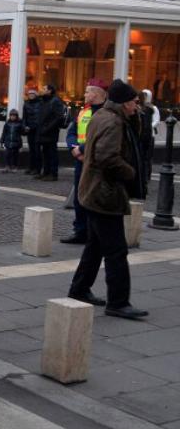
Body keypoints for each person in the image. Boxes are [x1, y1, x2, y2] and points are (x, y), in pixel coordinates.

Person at [68, 79, 150, 320]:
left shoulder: (103, 115)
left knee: (95, 247)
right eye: (134, 103)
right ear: (124, 103)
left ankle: (79, 289)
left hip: (93, 191)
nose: (137, 107)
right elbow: (107, 157)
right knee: (116, 250)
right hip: (104, 194)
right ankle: (118, 301)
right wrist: (131, 172)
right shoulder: (113, 122)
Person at [61, 80, 107, 244]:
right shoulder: (83, 111)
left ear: (96, 93)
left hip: (96, 162)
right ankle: (80, 231)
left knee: (94, 198)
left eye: (87, 92)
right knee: (79, 197)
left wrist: (81, 150)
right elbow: (72, 132)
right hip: (80, 160)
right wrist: (74, 148)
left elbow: (102, 139)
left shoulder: (106, 114)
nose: (85, 94)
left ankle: (94, 233)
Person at [35, 84, 67, 181]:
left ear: (50, 91)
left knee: (52, 153)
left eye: (44, 88)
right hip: (43, 131)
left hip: (51, 132)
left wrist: (47, 128)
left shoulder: (55, 101)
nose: (42, 90)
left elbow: (58, 117)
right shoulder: (44, 100)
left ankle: (53, 174)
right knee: (45, 152)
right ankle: (46, 172)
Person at [22, 87, 43, 176]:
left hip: (38, 129)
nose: (31, 95)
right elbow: (24, 117)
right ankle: (31, 167)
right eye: (29, 94)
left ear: (36, 95)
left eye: (32, 94)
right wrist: (25, 126)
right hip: (30, 129)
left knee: (37, 149)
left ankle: (37, 169)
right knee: (31, 150)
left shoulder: (40, 103)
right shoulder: (26, 104)